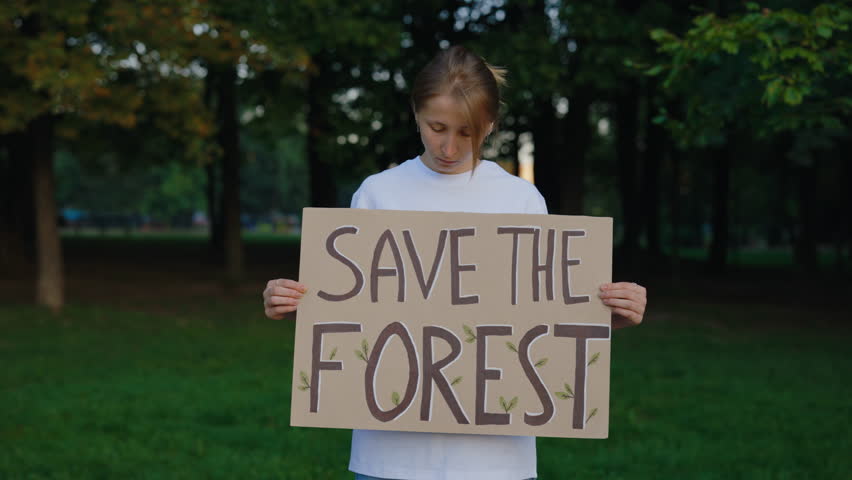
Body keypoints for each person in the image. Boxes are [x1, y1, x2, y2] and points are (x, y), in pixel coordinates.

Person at [263, 45, 647, 480]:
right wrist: (293, 302)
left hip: (496, 461)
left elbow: (544, 321)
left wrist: (605, 318)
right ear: (415, 113)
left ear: (491, 125)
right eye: (437, 127)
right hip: (389, 456)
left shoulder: (520, 199)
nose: (448, 146)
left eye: (467, 132)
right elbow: (351, 317)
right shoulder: (377, 193)